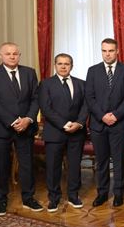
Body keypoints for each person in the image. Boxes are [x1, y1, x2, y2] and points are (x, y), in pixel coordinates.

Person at [0, 42, 41, 215]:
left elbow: (36, 99)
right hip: (1, 128)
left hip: (26, 127)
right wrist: (13, 121)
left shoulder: (29, 72)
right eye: (8, 53)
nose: (12, 56)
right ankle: (1, 201)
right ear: (0, 56)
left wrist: (28, 119)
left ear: (19, 55)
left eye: (15, 53)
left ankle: (28, 198)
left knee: (27, 165)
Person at [85, 38, 124, 208]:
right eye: (104, 51)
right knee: (101, 161)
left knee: (119, 160)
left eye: (111, 51)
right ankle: (102, 193)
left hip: (119, 124)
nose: (107, 54)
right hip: (98, 125)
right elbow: (89, 97)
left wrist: (115, 115)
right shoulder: (93, 71)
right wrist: (102, 116)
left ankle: (119, 193)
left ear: (117, 51)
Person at [38, 53, 88, 212]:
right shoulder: (46, 84)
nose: (63, 66)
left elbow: (86, 106)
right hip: (55, 132)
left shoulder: (81, 84)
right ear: (55, 65)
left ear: (71, 66)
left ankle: (73, 195)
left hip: (77, 132)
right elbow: (46, 108)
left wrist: (79, 123)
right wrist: (65, 124)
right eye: (60, 63)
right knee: (53, 167)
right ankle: (53, 198)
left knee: (74, 166)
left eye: (67, 64)